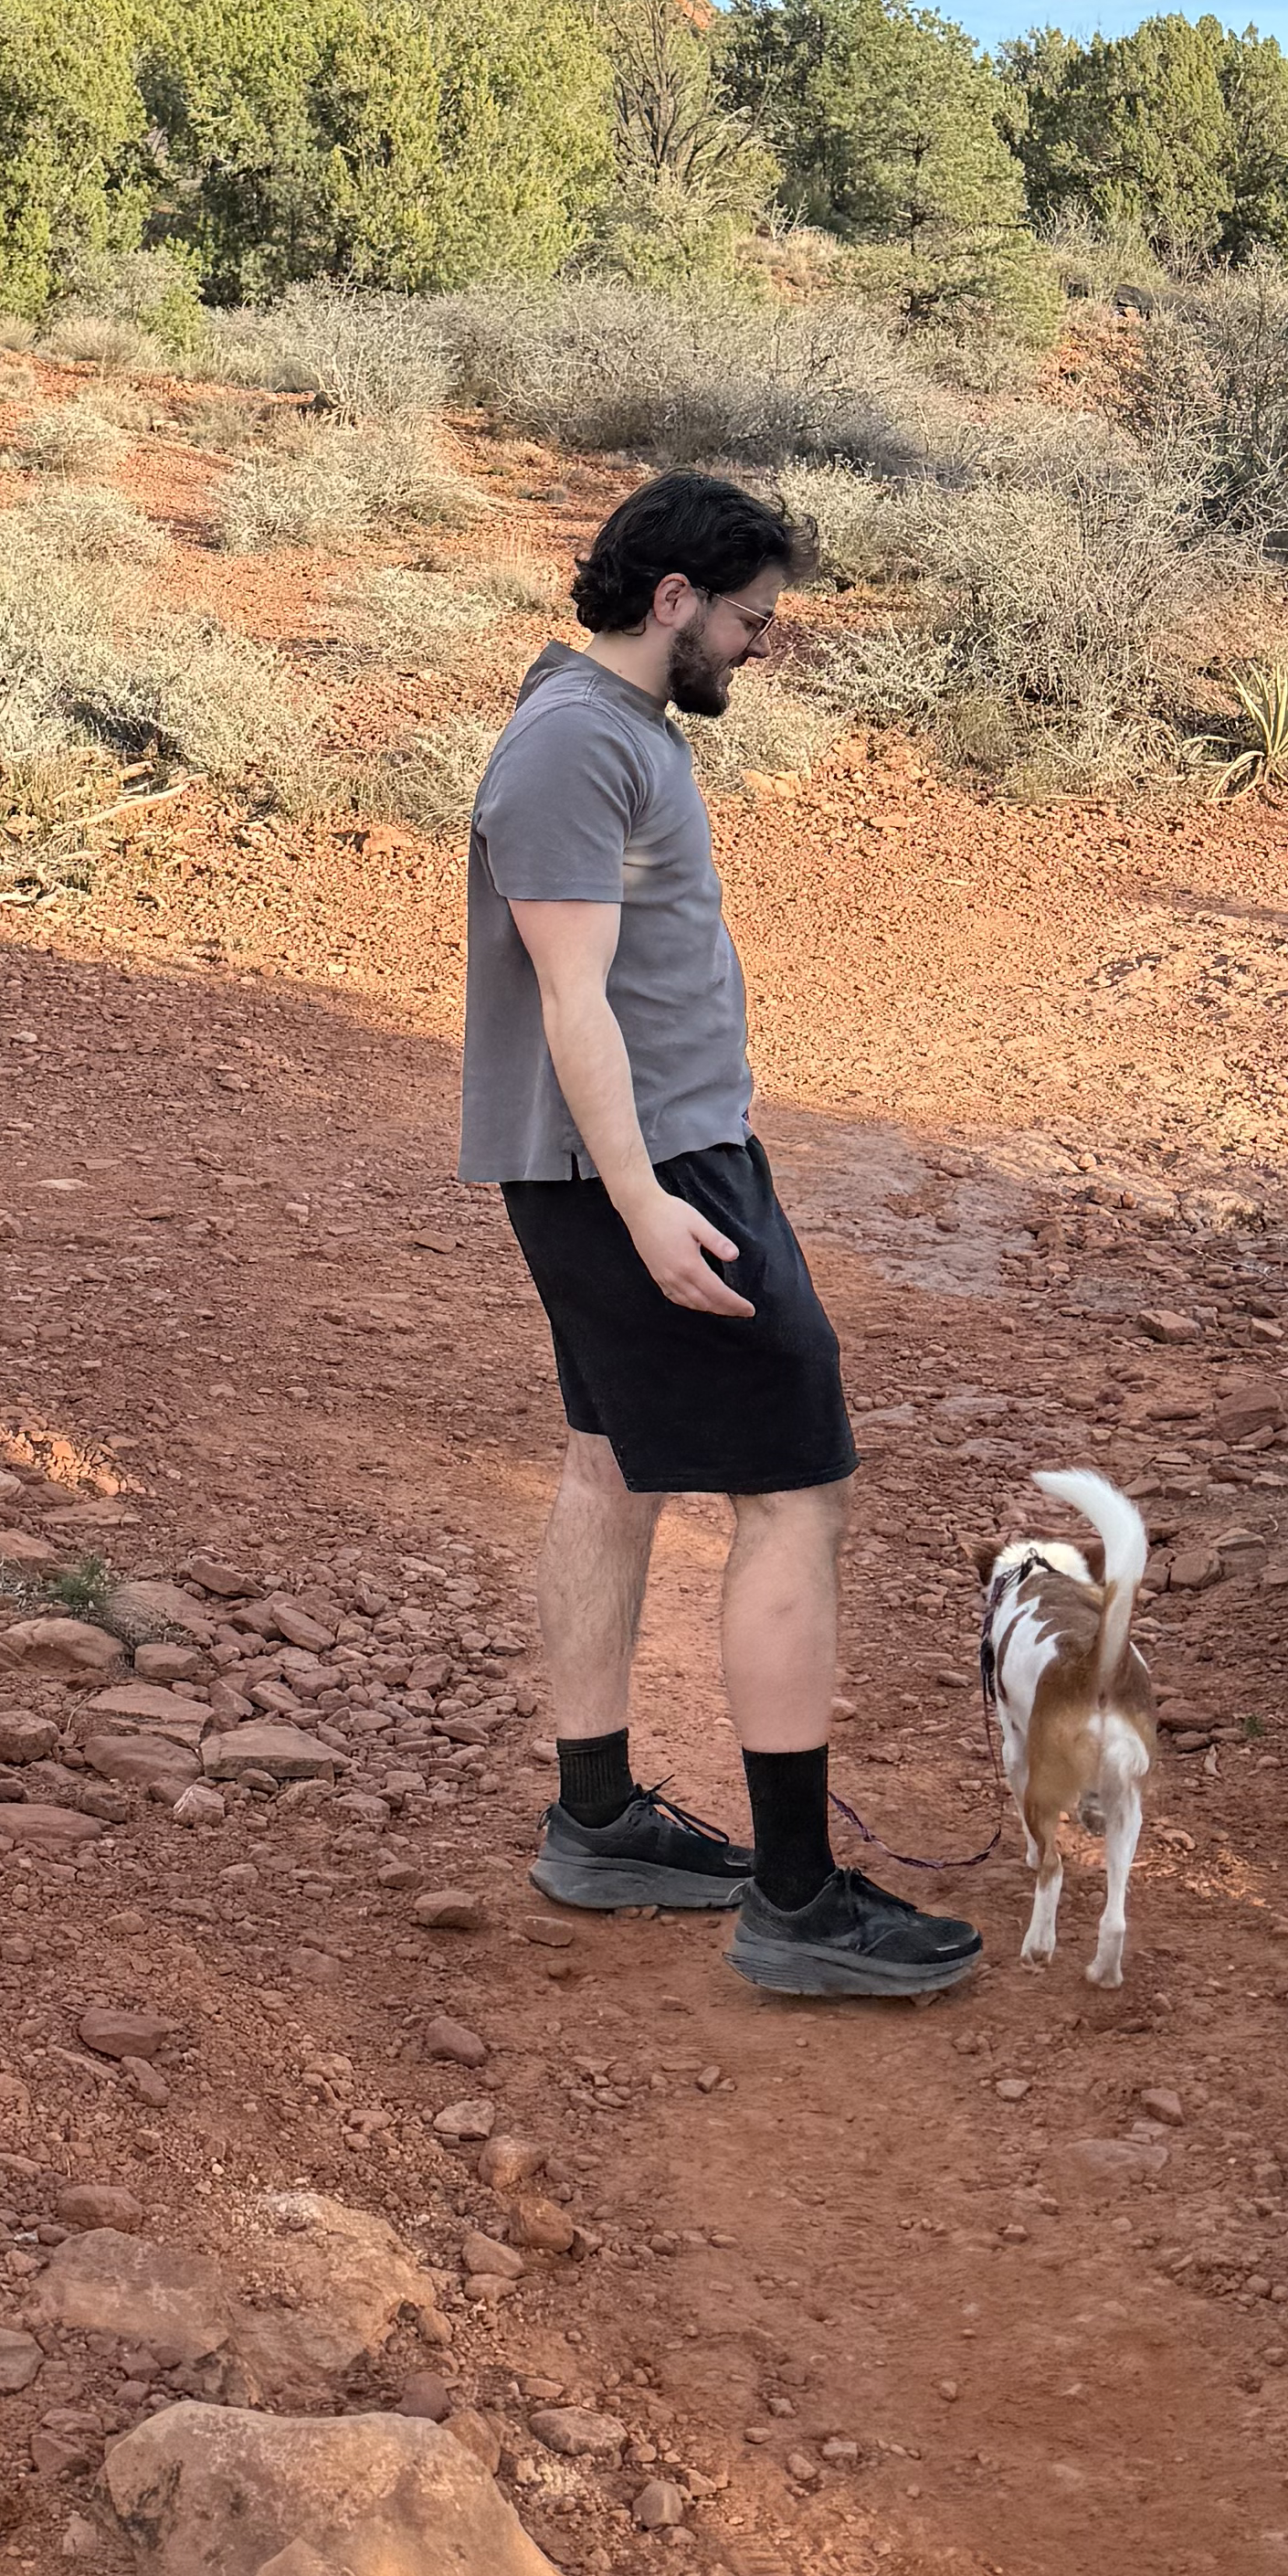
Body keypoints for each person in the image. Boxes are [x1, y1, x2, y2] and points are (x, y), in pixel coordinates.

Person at [460, 468, 981, 2003]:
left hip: (648, 1165)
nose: (762, 645)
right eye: (752, 618)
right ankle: (801, 1904)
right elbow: (570, 1005)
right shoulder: (571, 746)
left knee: (614, 1464)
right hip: (650, 1176)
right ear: (675, 600)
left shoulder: (610, 731)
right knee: (795, 1494)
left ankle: (602, 1820)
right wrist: (653, 1213)